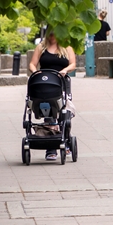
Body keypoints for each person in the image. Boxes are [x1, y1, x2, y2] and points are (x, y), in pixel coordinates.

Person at [28, 29, 77, 161]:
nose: (52, 37)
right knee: (48, 111)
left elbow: (73, 63)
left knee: (64, 113)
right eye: (50, 34)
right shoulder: (41, 47)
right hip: (45, 83)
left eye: (54, 34)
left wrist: (65, 70)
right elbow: (32, 63)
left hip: (61, 82)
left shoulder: (66, 47)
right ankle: (51, 147)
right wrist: (35, 72)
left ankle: (65, 139)